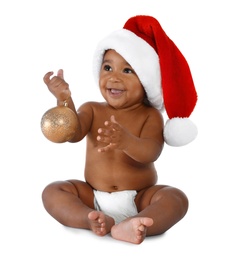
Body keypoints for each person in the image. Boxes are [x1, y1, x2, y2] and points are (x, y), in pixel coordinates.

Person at [42, 15, 197, 244]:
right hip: (92, 194)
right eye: (107, 67)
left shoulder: (149, 115)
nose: (113, 78)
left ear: (145, 80)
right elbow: (72, 134)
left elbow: (151, 152)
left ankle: (138, 223)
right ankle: (90, 219)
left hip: (139, 198)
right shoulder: (92, 109)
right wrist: (65, 100)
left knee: (176, 198)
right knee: (53, 191)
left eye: (127, 71)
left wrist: (127, 142)